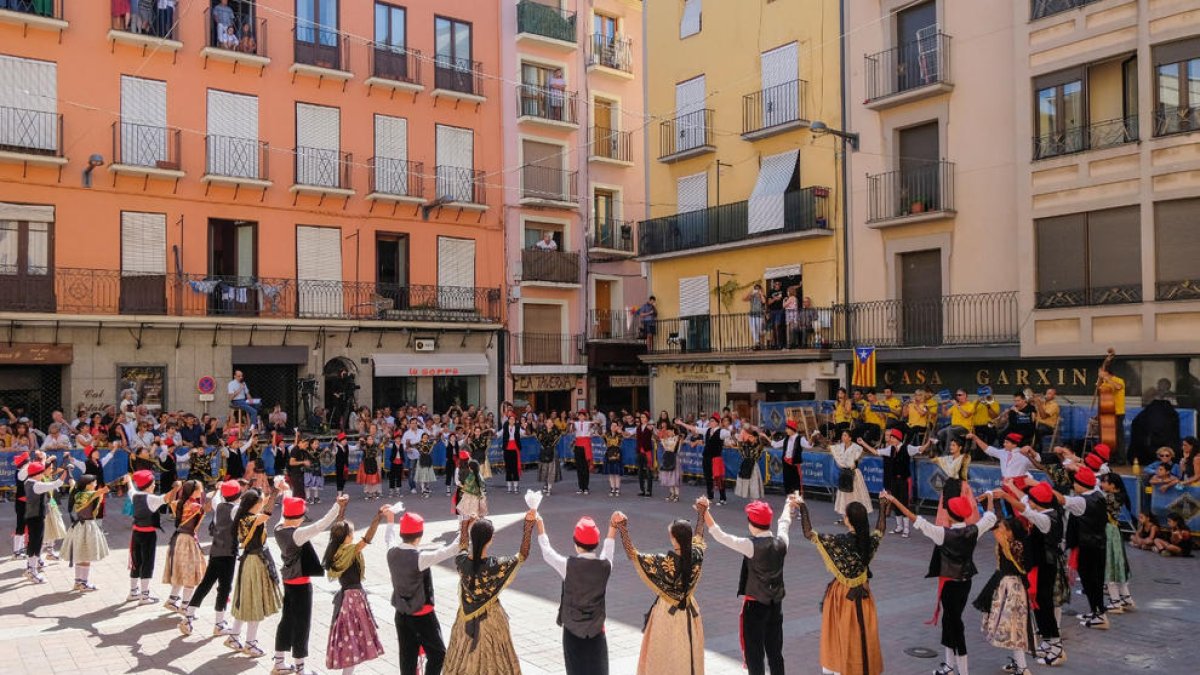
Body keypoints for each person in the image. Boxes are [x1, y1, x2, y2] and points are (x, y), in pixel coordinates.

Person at [885, 490, 998, 675]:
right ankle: (949, 666)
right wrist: (991, 497)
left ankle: (962, 670)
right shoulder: (973, 530)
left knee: (955, 625)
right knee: (950, 621)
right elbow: (991, 517)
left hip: (949, 585)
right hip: (965, 582)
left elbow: (916, 520)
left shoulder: (942, 534)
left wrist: (895, 500)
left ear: (950, 515)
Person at [613, 499, 708, 674]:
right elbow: (700, 535)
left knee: (664, 657)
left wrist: (622, 527)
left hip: (667, 614)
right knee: (688, 656)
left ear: (675, 540)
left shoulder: (666, 563)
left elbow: (632, 554)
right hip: (689, 611)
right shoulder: (697, 554)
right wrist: (701, 513)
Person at [799, 494, 888, 675]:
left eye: (846, 516)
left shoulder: (841, 541)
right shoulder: (869, 542)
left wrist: (802, 507)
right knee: (861, 637)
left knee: (838, 636)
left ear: (849, 521)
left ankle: (840, 668)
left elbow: (809, 533)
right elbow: (880, 529)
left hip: (842, 596)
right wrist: (882, 507)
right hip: (864, 595)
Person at [703, 498, 791, 675]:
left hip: (755, 607)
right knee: (775, 652)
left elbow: (720, 535)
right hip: (775, 605)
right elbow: (784, 523)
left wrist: (704, 512)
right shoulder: (782, 543)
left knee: (754, 654)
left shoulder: (750, 545)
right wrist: (789, 504)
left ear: (752, 523)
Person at [443, 511, 537, 674]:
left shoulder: (461, 562)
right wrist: (528, 525)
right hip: (492, 620)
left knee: (462, 658)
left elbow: (463, 545)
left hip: (464, 619)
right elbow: (522, 555)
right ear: (490, 539)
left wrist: (465, 524)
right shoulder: (494, 565)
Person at [272, 491, 349, 675]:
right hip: (301, 584)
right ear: (297, 517)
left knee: (286, 621)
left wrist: (285, 491)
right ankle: (300, 668)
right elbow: (321, 524)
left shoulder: (278, 528)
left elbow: (286, 509)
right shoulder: (297, 534)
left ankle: (279, 662)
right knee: (302, 624)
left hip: (288, 580)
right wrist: (337, 505)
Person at [995, 481, 1068, 666]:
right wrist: (1011, 487)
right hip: (1040, 565)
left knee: (1044, 604)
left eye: (1032, 499)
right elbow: (1025, 501)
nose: (1029, 501)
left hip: (1045, 565)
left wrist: (1005, 496)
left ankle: (1056, 647)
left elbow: (1026, 509)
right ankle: (1048, 641)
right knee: (1038, 604)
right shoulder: (1047, 511)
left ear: (1038, 502)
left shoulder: (1045, 519)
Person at [385, 507, 464, 675]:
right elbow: (451, 549)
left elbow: (389, 539)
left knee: (407, 658)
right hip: (422, 614)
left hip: (401, 614)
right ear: (419, 536)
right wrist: (466, 527)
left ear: (402, 533)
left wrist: (390, 520)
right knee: (438, 654)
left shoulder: (391, 553)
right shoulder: (420, 558)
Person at [537, 514, 617, 675]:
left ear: (576, 543)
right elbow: (609, 546)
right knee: (599, 669)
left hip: (572, 628)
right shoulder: (605, 565)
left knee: (575, 669)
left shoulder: (567, 566)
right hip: (596, 629)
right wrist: (613, 527)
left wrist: (540, 525)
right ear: (596, 543)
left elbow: (547, 553)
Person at [970, 507, 1035, 675]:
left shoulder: (1016, 546)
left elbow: (1018, 564)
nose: (997, 532)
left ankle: (1023, 667)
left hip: (1013, 589)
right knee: (1012, 627)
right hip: (1004, 586)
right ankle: (1018, 663)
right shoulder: (1006, 543)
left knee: (1015, 627)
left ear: (1010, 532)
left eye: (1001, 529)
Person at [323, 506, 386, 675]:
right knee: (354, 637)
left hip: (345, 596)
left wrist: (342, 508)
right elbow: (367, 539)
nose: (354, 535)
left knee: (349, 637)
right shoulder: (350, 550)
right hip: (354, 598)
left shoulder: (335, 549)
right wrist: (377, 518)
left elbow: (338, 526)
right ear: (346, 537)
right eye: (351, 532)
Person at [181, 480, 242, 637]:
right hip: (228, 553)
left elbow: (215, 499)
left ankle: (188, 616)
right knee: (224, 588)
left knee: (205, 584)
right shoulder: (236, 509)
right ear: (238, 494)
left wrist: (219, 488)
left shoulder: (219, 506)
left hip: (215, 551)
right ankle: (219, 624)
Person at [226, 484, 281, 658]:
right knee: (255, 603)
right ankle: (250, 643)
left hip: (250, 561)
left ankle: (234, 637)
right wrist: (276, 493)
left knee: (246, 601)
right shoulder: (251, 519)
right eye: (259, 502)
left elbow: (263, 506)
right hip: (255, 563)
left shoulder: (243, 516)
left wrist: (271, 494)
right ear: (254, 505)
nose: (262, 503)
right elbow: (268, 514)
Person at [1061, 466, 1110, 630]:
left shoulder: (1081, 501)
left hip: (1087, 545)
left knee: (1091, 581)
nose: (1073, 485)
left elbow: (1062, 500)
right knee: (1094, 580)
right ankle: (1095, 611)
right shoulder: (1097, 494)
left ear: (1081, 484)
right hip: (1098, 544)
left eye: (1075, 482)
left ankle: (1100, 615)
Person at [863, 429, 929, 537]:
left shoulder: (907, 448)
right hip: (894, 480)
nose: (891, 439)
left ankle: (906, 529)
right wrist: (863, 443)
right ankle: (899, 527)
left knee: (904, 503)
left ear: (898, 439)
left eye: (893, 438)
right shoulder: (890, 449)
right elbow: (876, 452)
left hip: (904, 480)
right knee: (895, 502)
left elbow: (920, 449)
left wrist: (928, 443)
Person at [127, 469, 180, 603]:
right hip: (148, 535)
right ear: (149, 485)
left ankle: (133, 592)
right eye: (153, 483)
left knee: (135, 562)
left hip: (136, 533)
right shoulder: (152, 499)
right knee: (147, 563)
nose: (155, 485)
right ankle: (144, 595)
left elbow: (131, 489)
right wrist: (177, 488)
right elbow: (168, 498)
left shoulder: (135, 496)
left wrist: (128, 480)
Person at [162, 480, 210, 615]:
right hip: (188, 541)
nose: (202, 491)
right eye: (200, 489)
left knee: (179, 572)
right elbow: (207, 508)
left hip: (177, 539)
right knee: (190, 574)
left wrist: (176, 488)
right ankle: (185, 606)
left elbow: (170, 501)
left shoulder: (179, 503)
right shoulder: (194, 506)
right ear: (194, 491)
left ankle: (172, 600)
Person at [60, 474, 111, 591]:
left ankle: (78, 582)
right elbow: (103, 491)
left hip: (77, 527)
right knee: (86, 556)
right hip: (88, 527)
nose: (96, 484)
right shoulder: (90, 494)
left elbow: (72, 483)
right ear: (88, 485)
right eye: (94, 483)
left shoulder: (77, 493)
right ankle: (84, 583)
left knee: (79, 555)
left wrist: (70, 473)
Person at [20, 461, 66, 584]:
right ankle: (32, 571)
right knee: (36, 544)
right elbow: (57, 483)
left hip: (31, 516)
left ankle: (30, 568)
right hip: (37, 517)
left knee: (33, 543)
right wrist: (65, 472)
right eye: (41, 472)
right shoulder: (37, 485)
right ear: (36, 474)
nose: (43, 474)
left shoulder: (28, 482)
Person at [1099, 472, 1135, 614]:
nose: (1102, 484)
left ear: (1113, 485)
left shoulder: (1111, 497)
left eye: (1104, 482)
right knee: (1118, 565)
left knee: (1110, 565)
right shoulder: (1118, 496)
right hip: (1113, 531)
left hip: (1109, 532)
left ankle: (1115, 601)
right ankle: (1126, 598)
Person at [679, 414, 730, 504]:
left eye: (712, 421)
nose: (710, 422)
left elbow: (730, 433)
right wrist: (681, 423)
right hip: (706, 457)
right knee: (708, 477)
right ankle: (710, 496)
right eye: (710, 421)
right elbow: (694, 428)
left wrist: (726, 426)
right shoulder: (707, 430)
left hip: (716, 458)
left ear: (717, 423)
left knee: (718, 478)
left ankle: (723, 498)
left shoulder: (721, 432)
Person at [834, 431, 873, 514]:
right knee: (844, 494)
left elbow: (856, 460)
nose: (842, 437)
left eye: (845, 435)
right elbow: (838, 459)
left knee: (855, 494)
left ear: (850, 438)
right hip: (844, 472)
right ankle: (846, 514)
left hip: (853, 473)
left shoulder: (856, 448)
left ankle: (856, 513)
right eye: (842, 435)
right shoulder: (840, 447)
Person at [767, 420, 808, 497]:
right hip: (786, 463)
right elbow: (775, 445)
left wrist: (813, 438)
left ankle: (799, 501)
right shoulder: (786, 438)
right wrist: (766, 437)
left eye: (787, 429)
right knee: (787, 483)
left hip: (794, 464)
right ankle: (789, 499)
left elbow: (809, 445)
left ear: (792, 429)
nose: (786, 430)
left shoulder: (800, 439)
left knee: (797, 484)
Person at [1097, 365, 1127, 463]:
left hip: (1117, 412)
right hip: (1106, 413)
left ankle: (1121, 458)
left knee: (1118, 437)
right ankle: (1111, 457)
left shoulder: (1118, 380)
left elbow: (1118, 387)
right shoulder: (1104, 383)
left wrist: (1106, 378)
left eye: (1100, 372)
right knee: (1108, 438)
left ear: (1107, 372)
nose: (1099, 374)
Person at [737, 427, 768, 500]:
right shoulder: (745, 445)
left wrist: (761, 437)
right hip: (746, 464)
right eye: (750, 436)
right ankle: (750, 497)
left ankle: (754, 499)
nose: (751, 438)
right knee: (747, 481)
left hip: (753, 465)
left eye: (753, 437)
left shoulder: (758, 446)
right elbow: (739, 446)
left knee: (754, 482)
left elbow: (760, 452)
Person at [498, 411, 524, 495]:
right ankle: (509, 487)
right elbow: (498, 434)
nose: (512, 420)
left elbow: (524, 433)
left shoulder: (518, 427)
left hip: (515, 449)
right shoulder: (505, 428)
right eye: (510, 419)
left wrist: (524, 427)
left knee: (515, 468)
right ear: (508, 420)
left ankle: (515, 487)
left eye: (513, 419)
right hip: (507, 449)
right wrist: (491, 432)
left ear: (515, 420)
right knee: (508, 468)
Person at [536, 417, 563, 495]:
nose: (549, 424)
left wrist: (550, 446)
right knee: (544, 469)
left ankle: (549, 488)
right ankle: (545, 484)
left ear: (553, 423)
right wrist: (543, 446)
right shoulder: (541, 431)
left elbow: (556, 441)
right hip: (544, 452)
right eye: (548, 422)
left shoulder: (556, 432)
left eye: (551, 422)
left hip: (552, 452)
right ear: (545, 423)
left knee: (551, 470)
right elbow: (538, 439)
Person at [572, 410, 594, 495]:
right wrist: (571, 423)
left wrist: (594, 423)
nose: (581, 417)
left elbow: (597, 425)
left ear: (585, 416)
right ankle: (580, 487)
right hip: (578, 446)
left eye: (582, 416)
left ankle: (586, 487)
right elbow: (570, 430)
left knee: (585, 467)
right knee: (579, 467)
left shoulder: (588, 423)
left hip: (585, 446)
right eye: (579, 416)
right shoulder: (575, 423)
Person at [658, 423, 682, 502]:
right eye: (667, 431)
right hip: (667, 458)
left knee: (675, 476)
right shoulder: (666, 439)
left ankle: (677, 495)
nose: (667, 432)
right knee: (668, 476)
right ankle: (671, 493)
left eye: (669, 431)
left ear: (673, 431)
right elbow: (665, 448)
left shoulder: (677, 438)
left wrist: (664, 442)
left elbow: (674, 449)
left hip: (674, 458)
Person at [602, 422, 626, 497]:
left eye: (615, 426)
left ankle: (617, 488)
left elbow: (625, 436)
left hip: (617, 453)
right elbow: (602, 438)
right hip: (609, 453)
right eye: (612, 425)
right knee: (611, 472)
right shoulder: (607, 434)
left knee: (617, 472)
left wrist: (621, 431)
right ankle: (612, 488)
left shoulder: (619, 435)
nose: (613, 427)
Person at [358, 435, 384, 500]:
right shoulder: (364, 446)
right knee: (367, 478)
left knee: (374, 478)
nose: (370, 440)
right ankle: (368, 493)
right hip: (366, 463)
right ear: (367, 440)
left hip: (373, 463)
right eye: (369, 439)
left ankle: (374, 492)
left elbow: (375, 453)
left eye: (371, 439)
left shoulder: (375, 446)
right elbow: (361, 446)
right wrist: (361, 441)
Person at [414, 432, 437, 498]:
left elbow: (429, 452)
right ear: (422, 437)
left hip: (428, 460)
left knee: (427, 475)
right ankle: (423, 490)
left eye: (426, 437)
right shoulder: (418, 444)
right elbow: (423, 451)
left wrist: (432, 445)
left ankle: (426, 489)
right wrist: (431, 445)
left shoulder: (429, 443)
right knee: (422, 475)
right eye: (424, 437)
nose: (425, 438)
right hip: (422, 460)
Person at [745, 283, 766, 349]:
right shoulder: (752, 296)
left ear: (760, 289)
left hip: (759, 314)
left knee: (760, 330)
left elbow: (764, 301)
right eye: (755, 289)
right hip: (752, 314)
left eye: (758, 289)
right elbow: (744, 299)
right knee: (753, 329)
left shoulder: (762, 295)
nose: (756, 290)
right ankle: (757, 343)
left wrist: (761, 294)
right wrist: (751, 292)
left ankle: (761, 344)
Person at [332, 432, 350, 496]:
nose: (346, 441)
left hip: (345, 466)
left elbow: (354, 448)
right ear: (340, 441)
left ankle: (341, 490)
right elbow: (333, 453)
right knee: (339, 479)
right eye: (344, 440)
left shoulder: (347, 447)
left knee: (344, 479)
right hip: (339, 466)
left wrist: (359, 444)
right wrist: (334, 446)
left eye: (346, 440)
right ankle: (339, 493)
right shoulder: (337, 447)